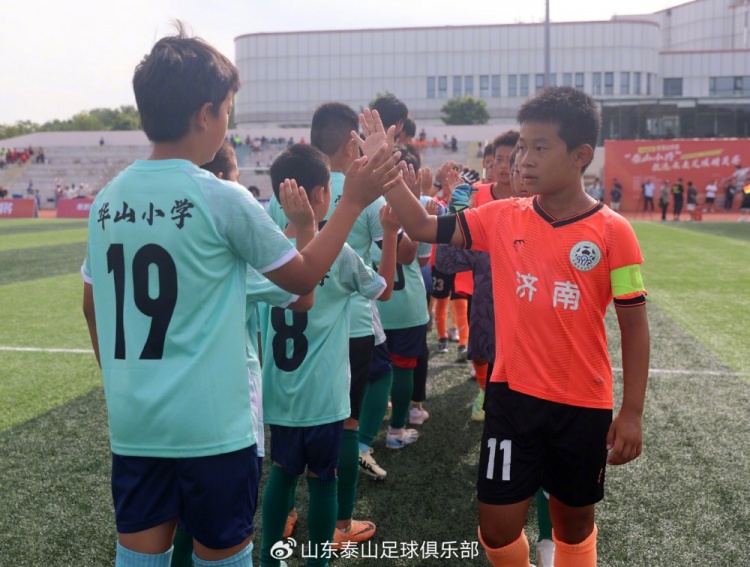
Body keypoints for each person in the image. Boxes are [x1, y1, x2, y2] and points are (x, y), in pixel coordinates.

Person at [81, 25, 400, 567]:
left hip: (135, 423)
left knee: (139, 557)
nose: (228, 120)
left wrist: (122, 382)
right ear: (206, 113)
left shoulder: (107, 201)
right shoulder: (220, 196)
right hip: (211, 429)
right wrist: (351, 203)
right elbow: (302, 280)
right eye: (228, 109)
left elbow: (91, 305)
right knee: (223, 555)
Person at [376, 86, 650, 567]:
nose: (524, 159)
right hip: (512, 397)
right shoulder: (501, 216)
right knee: (497, 531)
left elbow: (634, 326)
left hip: (582, 404)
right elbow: (421, 226)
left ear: (581, 155)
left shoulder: (614, 233)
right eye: (522, 146)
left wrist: (631, 412)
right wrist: (385, 168)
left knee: (572, 526)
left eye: (540, 147)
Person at [258, 145, 398, 567]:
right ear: (321, 195)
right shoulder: (339, 254)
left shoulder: (264, 254)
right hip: (324, 396)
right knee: (323, 481)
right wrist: (390, 233)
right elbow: (384, 290)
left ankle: (270, 559)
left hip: (281, 393)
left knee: (281, 475)